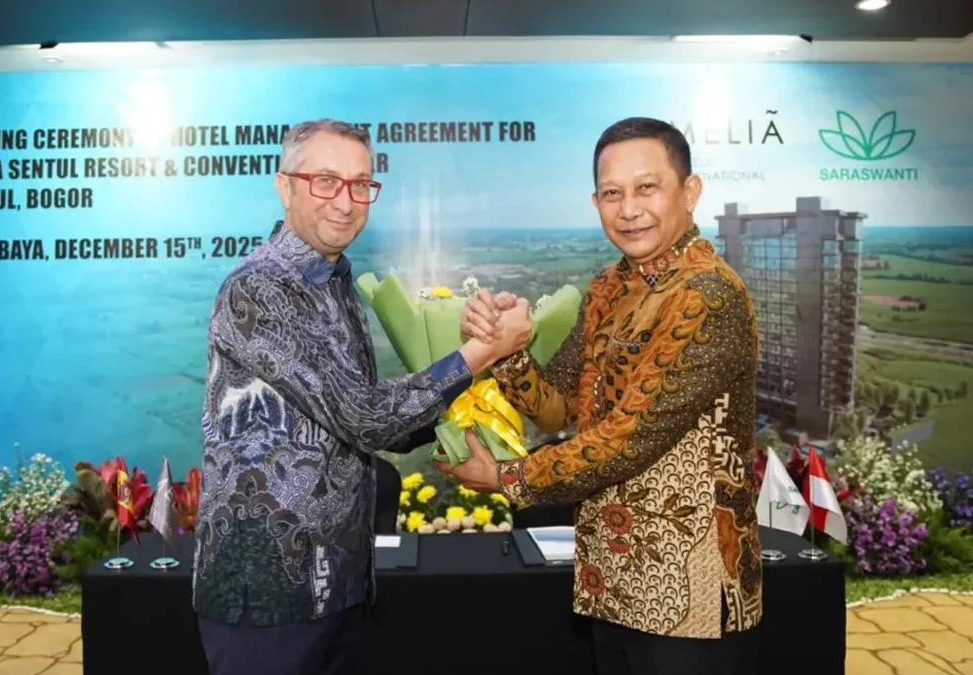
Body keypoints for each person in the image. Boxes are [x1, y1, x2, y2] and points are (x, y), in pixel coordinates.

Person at [192, 118, 531, 675]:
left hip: (342, 582)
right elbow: (364, 417)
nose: (346, 201)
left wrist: (464, 414)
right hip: (269, 593)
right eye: (326, 180)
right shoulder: (257, 289)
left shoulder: (336, 281)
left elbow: (365, 419)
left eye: (361, 184)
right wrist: (481, 353)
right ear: (285, 186)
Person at [443, 117, 763, 675]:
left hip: (689, 593)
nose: (629, 209)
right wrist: (504, 347)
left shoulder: (707, 295)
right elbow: (560, 406)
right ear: (596, 202)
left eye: (647, 188)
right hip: (614, 579)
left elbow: (627, 439)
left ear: (689, 191)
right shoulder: (611, 287)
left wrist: (505, 478)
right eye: (612, 194)